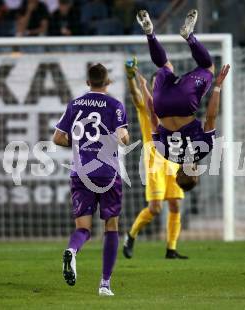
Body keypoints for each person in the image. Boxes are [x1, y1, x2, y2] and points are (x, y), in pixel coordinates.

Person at [52, 63, 129, 296]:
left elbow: (57, 138)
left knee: (83, 228)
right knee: (111, 226)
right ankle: (105, 284)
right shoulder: (116, 105)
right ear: (108, 82)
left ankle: (72, 251)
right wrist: (123, 138)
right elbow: (123, 138)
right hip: (107, 172)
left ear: (88, 82)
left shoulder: (75, 104)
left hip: (80, 171)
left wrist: (77, 144)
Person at [136, 9, 230, 189]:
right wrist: (145, 89)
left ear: (195, 172)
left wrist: (217, 86)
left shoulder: (203, 149)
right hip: (161, 104)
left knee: (208, 67)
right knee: (165, 65)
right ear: (177, 172)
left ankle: (189, 36)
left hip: (184, 103)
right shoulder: (165, 153)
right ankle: (150, 34)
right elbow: (152, 117)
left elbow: (210, 117)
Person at [122, 57, 188, 260]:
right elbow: (134, 94)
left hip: (173, 160)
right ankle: (131, 235)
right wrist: (131, 77)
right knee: (156, 208)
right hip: (154, 162)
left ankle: (171, 249)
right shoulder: (146, 104)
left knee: (176, 204)